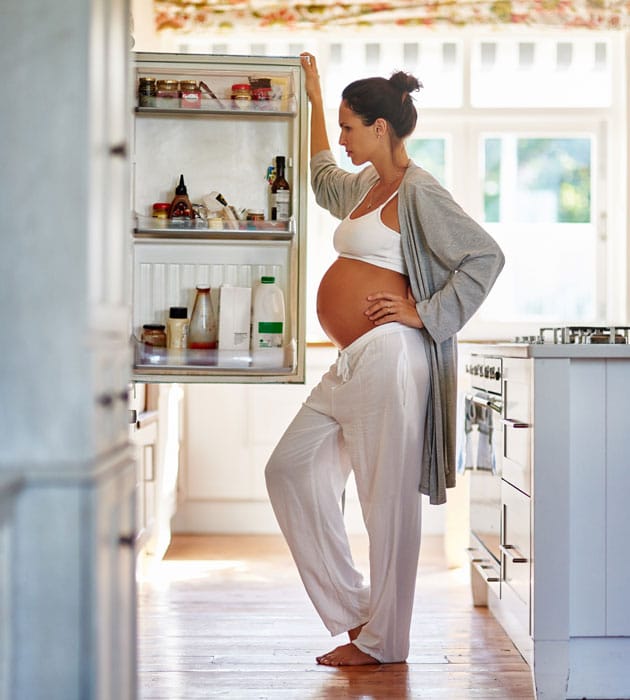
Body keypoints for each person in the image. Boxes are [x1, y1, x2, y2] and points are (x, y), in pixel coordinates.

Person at [265, 52, 505, 667]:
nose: (342, 139)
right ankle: (357, 612)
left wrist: (422, 313)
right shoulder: (369, 185)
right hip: (354, 360)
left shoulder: (421, 190)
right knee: (289, 469)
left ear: (379, 127)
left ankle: (385, 644)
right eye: (340, 126)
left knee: (385, 499)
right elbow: (320, 178)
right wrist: (317, 101)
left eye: (349, 126)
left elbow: (483, 257)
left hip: (393, 357)